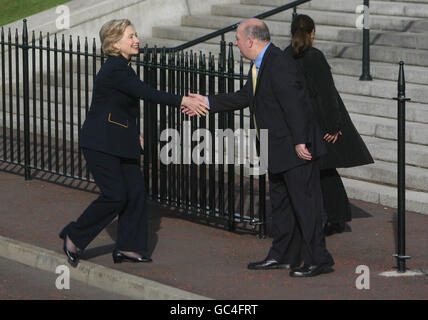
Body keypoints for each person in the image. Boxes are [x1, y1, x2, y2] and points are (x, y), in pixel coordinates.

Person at [184, 18, 334, 277]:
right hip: (276, 148)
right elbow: (245, 96)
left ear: (250, 40)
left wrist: (300, 141)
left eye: (238, 39)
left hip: (296, 149)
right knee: (282, 205)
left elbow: (296, 104)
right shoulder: (261, 64)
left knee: (306, 205)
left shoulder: (280, 63)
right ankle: (283, 255)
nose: (236, 43)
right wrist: (206, 101)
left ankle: (318, 258)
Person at [59, 19, 209, 267]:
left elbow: (123, 106)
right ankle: (74, 235)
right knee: (116, 195)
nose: (136, 40)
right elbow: (146, 93)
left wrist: (134, 131)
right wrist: (183, 100)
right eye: (130, 36)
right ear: (115, 43)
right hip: (101, 143)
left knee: (136, 193)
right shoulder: (115, 68)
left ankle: (128, 247)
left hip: (121, 141)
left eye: (135, 35)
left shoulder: (123, 67)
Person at [285, 14, 374, 236]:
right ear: (312, 33)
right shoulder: (315, 56)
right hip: (318, 123)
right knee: (324, 170)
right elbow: (327, 94)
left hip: (297, 122)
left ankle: (325, 216)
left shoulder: (286, 56)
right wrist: (334, 126)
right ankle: (335, 217)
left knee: (313, 170)